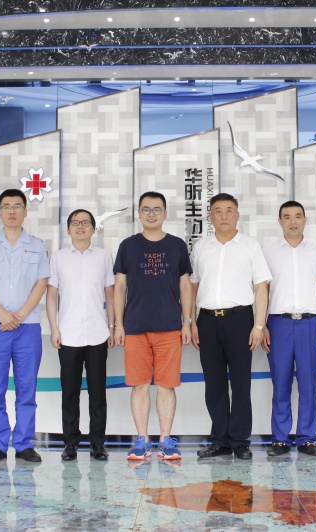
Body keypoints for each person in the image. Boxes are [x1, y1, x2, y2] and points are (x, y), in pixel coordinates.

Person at [190, 193, 272, 460]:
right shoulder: (201, 247)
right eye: (218, 211)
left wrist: (259, 325)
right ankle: (220, 440)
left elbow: (261, 287)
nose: (223, 215)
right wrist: (190, 322)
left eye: (229, 210)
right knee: (213, 384)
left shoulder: (250, 246)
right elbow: (193, 287)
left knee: (240, 383)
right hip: (207, 321)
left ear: (237, 215)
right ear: (210, 216)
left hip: (240, 320)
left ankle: (240, 440)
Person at [114, 191, 192, 461]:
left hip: (169, 327)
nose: (151, 214)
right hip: (135, 328)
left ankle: (166, 440)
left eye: (157, 209)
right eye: (146, 209)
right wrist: (118, 325)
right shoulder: (128, 246)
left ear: (165, 213)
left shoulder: (177, 245)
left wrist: (187, 322)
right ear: (139, 213)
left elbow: (185, 286)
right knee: (139, 385)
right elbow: (120, 287)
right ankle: (142, 441)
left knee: (166, 386)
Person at [0, 189, 50, 463]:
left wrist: (19, 314)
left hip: (27, 327)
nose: (12, 211)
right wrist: (2, 314)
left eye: (17, 206)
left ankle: (24, 443)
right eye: (7, 206)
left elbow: (42, 283)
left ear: (26, 211)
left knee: (26, 389)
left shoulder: (37, 245)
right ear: (0, 212)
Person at [262, 201, 316, 457]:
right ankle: (280, 439)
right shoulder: (268, 252)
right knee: (280, 383)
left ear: (305, 220)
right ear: (279, 221)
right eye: (287, 217)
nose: (292, 221)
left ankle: (306, 438)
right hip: (278, 323)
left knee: (308, 384)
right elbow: (262, 291)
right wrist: (261, 325)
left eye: (297, 216)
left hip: (311, 324)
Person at [47, 209, 115, 462]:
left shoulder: (104, 257)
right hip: (68, 334)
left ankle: (98, 444)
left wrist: (112, 327)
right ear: (68, 229)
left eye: (85, 223)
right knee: (70, 393)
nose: (80, 227)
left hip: (97, 333)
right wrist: (54, 328)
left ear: (93, 229)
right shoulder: (58, 258)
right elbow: (51, 295)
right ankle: (70, 443)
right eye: (75, 223)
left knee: (98, 393)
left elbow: (110, 294)